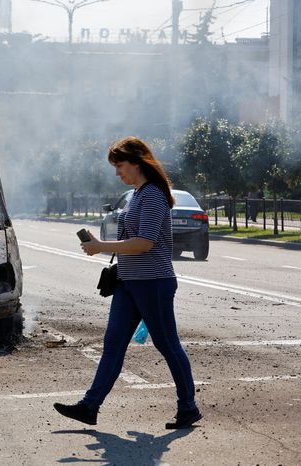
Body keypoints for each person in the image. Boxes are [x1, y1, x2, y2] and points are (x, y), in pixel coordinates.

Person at [53, 136, 202, 430]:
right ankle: (89, 407)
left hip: (153, 282)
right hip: (129, 281)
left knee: (167, 344)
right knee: (113, 343)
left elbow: (145, 243)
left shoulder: (154, 195)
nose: (117, 172)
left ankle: (188, 407)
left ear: (137, 163)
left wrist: (101, 246)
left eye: (119, 165)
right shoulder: (137, 194)